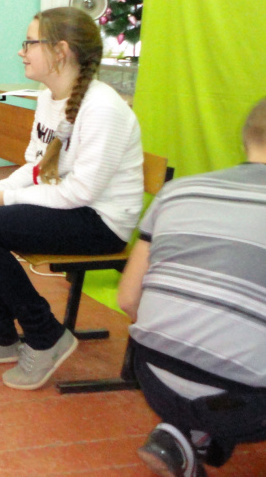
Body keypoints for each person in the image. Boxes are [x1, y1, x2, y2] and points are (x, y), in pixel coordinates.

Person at [0, 7, 144, 390]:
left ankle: (45, 334)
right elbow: (37, 165)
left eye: (30, 42)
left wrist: (5, 200)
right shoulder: (49, 98)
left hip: (100, 222)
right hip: (69, 207)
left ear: (60, 51)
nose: (21, 51)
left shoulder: (103, 108)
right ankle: (0, 334)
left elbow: (81, 192)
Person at [117, 97, 266, 477]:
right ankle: (201, 426)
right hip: (246, 402)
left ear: (246, 138)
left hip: (153, 377)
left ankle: (184, 433)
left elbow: (128, 298)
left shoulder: (177, 191)